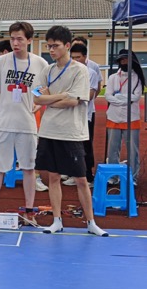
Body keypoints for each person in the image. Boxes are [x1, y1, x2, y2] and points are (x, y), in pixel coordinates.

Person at [33, 25, 108, 237]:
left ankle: (91, 222)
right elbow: (37, 98)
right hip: (49, 131)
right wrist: (60, 96)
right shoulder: (47, 70)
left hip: (72, 132)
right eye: (49, 46)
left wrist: (50, 98)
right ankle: (57, 220)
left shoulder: (80, 70)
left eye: (55, 46)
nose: (51, 50)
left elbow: (73, 101)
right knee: (53, 177)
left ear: (67, 45)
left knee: (81, 179)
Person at [0, 21, 49, 218]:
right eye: (12, 39)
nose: (15, 43)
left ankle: (29, 210)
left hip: (27, 124)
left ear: (29, 40)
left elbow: (45, 89)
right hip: (3, 123)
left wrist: (37, 103)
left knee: (29, 168)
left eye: (20, 39)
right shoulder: (1, 62)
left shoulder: (40, 63)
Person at [104, 48, 145, 184]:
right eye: (121, 59)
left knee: (133, 150)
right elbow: (108, 96)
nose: (124, 62)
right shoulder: (112, 78)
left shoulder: (137, 78)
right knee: (112, 150)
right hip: (113, 118)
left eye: (126, 59)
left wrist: (118, 98)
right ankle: (113, 176)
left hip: (131, 118)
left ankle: (132, 177)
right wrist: (124, 100)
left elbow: (136, 97)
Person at [62, 43, 100, 186]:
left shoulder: (91, 73)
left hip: (85, 115)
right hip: (69, 114)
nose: (75, 60)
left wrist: (70, 97)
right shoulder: (67, 71)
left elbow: (89, 95)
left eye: (78, 57)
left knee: (85, 146)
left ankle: (88, 175)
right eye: (73, 57)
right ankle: (73, 172)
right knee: (70, 144)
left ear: (85, 57)